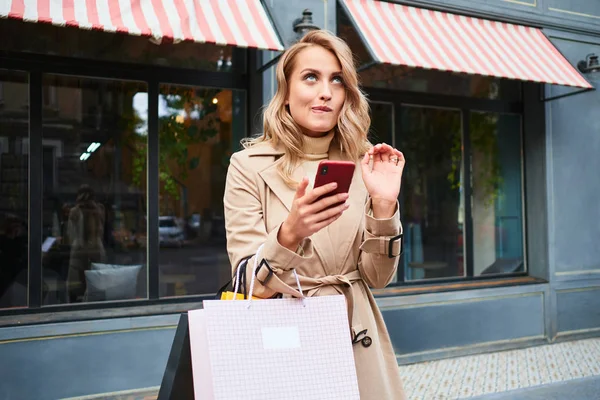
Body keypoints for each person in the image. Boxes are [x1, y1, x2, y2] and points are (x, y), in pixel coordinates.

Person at [224, 30, 406, 399]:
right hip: (285, 339)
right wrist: (289, 234)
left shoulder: (364, 164)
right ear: (286, 92)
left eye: (337, 80)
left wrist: (384, 207)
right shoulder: (247, 166)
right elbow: (247, 281)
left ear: (346, 95)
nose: (325, 91)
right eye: (311, 77)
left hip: (356, 335)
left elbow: (377, 277)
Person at [67, 184, 106, 302]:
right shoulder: (75, 211)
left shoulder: (98, 209)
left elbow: (101, 229)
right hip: (80, 250)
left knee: (95, 281)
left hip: (94, 249)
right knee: (78, 283)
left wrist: (93, 211)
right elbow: (71, 233)